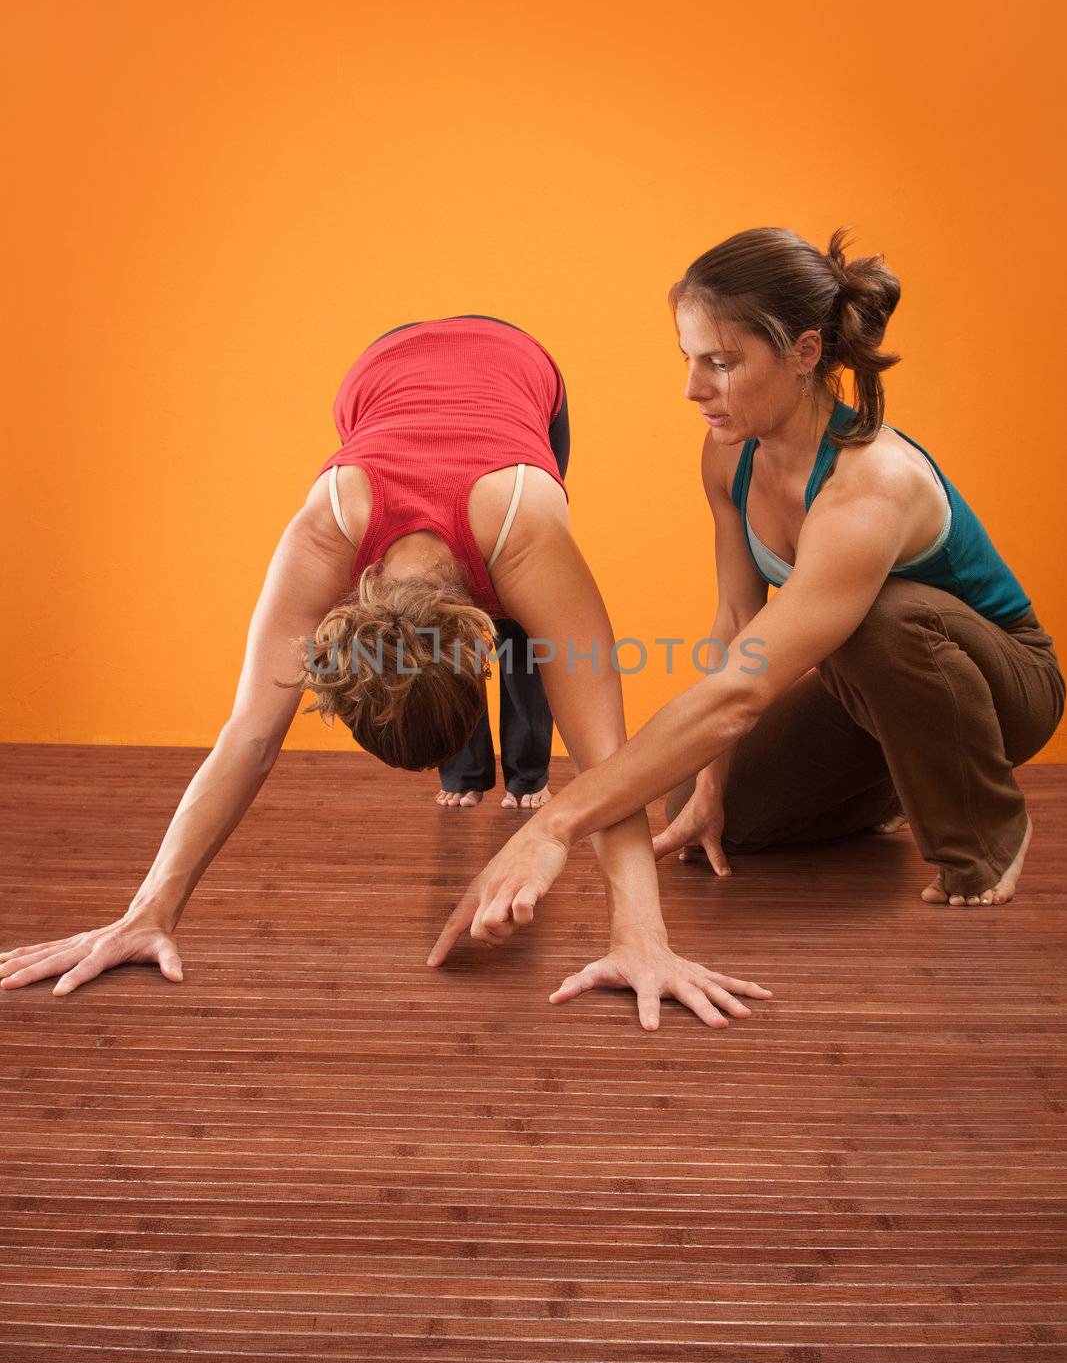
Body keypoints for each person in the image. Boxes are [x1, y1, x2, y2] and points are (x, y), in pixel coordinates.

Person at [0, 312, 771, 1029]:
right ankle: (488, 758)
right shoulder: (321, 536)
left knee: (544, 645)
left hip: (519, 364)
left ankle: (515, 709)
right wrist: (146, 913)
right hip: (379, 373)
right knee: (536, 629)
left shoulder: (527, 534)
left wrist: (642, 937)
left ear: (475, 643)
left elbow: (608, 758)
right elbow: (247, 738)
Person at [428, 228, 1065, 983]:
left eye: (721, 363)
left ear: (802, 352)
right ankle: (904, 772)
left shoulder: (869, 485)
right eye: (688, 359)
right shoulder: (730, 451)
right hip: (864, 692)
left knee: (881, 618)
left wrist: (555, 825)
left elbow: (747, 687)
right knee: (723, 815)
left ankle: (983, 834)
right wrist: (709, 788)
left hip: (1001, 691)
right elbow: (736, 625)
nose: (693, 388)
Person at [364, 318, 560, 811]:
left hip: (519, 365)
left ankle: (528, 776)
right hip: (385, 370)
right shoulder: (348, 519)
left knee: (521, 623)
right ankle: (464, 772)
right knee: (432, 638)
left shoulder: (520, 509)